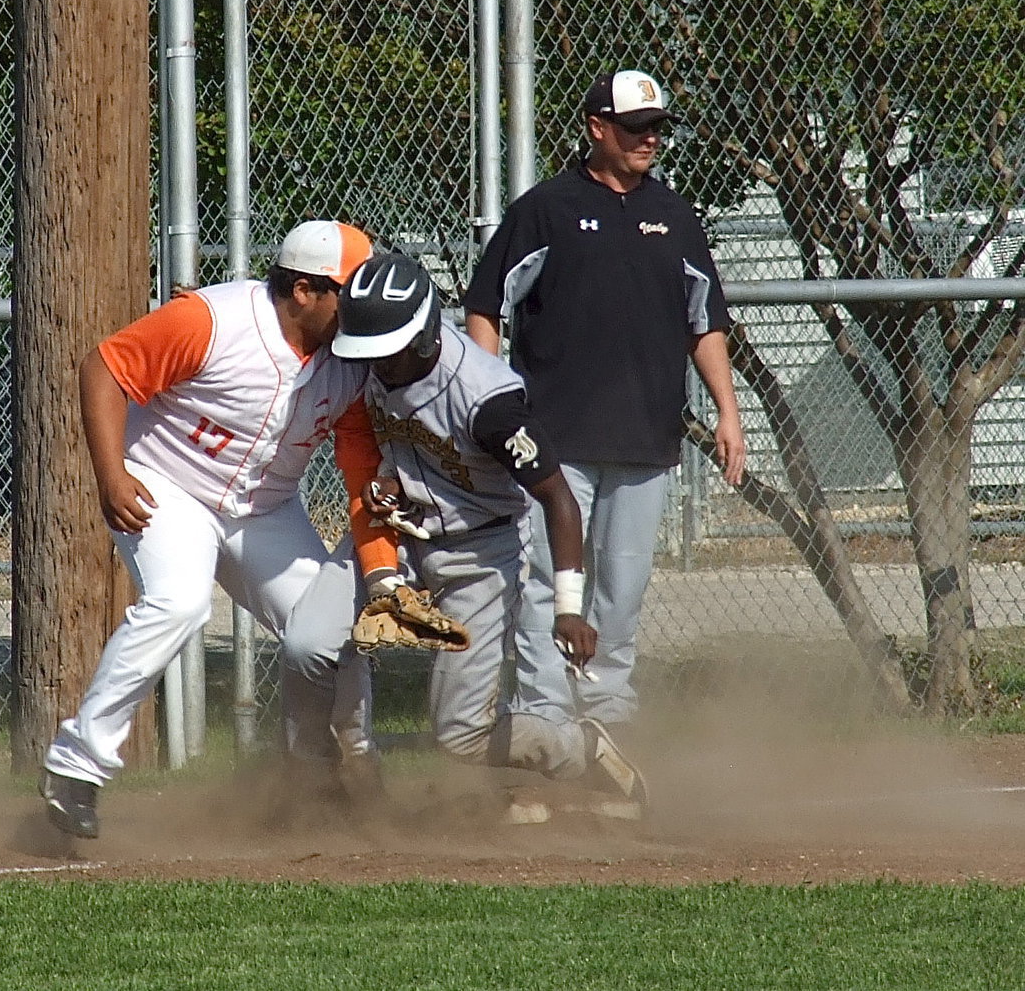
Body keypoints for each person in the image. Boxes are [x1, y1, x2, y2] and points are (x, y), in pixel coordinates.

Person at [39, 220, 400, 839]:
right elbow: (104, 366)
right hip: (168, 484)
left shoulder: (350, 360)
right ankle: (76, 768)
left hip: (266, 509)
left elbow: (359, 463)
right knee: (179, 603)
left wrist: (382, 565)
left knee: (328, 626)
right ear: (304, 290)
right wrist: (109, 474)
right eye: (348, 292)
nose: (359, 306)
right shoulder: (215, 321)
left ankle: (343, 776)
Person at [279, 253, 647, 818]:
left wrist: (569, 608)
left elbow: (558, 498)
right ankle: (315, 791)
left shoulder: (488, 400)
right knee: (307, 643)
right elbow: (389, 444)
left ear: (425, 336)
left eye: (386, 351)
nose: (373, 363)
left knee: (459, 737)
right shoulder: (377, 361)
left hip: (481, 551)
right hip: (398, 536)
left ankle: (582, 748)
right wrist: (384, 483)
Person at [463, 69, 745, 738]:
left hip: (647, 440)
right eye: (635, 127)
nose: (649, 140)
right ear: (597, 128)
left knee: (622, 591)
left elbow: (704, 321)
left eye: (656, 129)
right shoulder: (547, 208)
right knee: (547, 583)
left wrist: (728, 412)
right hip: (554, 441)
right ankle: (542, 716)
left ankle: (607, 717)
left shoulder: (674, 214)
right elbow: (485, 306)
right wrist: (491, 396)